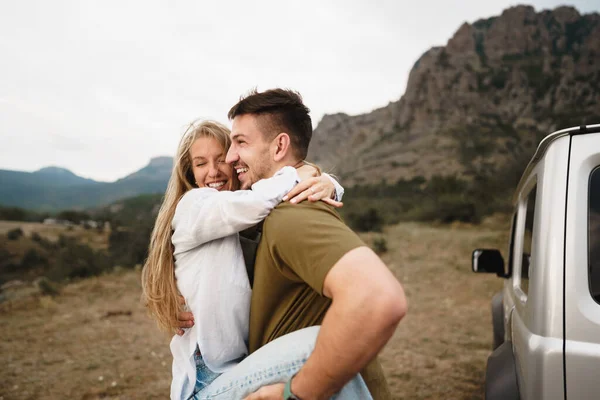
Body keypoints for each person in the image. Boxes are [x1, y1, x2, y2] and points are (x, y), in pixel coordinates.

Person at [180, 89, 408, 399]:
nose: (229, 161)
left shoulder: (289, 215)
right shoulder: (217, 210)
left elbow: (376, 298)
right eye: (200, 164)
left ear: (280, 146)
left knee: (315, 343)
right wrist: (311, 174)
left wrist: (297, 394)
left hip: (256, 373)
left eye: (239, 145)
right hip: (215, 378)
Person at [141, 120, 364, 400]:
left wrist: (329, 183)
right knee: (326, 346)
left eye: (221, 159)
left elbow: (261, 198)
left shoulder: (240, 217)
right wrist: (305, 172)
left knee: (336, 365)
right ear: (190, 172)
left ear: (235, 160)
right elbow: (257, 202)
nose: (213, 171)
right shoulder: (195, 205)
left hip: (239, 368)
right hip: (206, 383)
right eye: (200, 164)